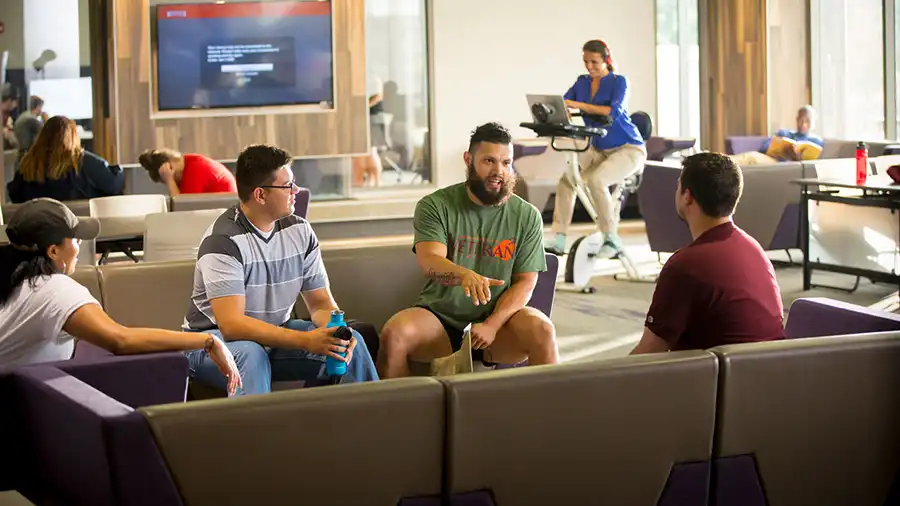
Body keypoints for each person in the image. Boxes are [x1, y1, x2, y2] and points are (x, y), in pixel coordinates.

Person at [182, 143, 379, 395]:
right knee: (250, 355)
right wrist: (306, 341)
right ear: (260, 195)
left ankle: (370, 429)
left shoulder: (299, 230)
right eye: (287, 186)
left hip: (274, 336)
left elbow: (319, 304)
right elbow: (233, 325)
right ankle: (262, 435)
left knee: (353, 343)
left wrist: (335, 331)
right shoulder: (223, 240)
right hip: (211, 344)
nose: (296, 190)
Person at [0, 198, 241, 395]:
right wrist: (207, 340)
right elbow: (121, 340)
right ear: (53, 251)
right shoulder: (53, 290)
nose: (80, 243)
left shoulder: (12, 280)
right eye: (74, 239)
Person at [377, 122, 558, 379]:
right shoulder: (435, 205)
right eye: (489, 161)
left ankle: (550, 417)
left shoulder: (527, 215)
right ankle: (399, 416)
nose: (499, 171)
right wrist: (464, 275)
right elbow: (430, 259)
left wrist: (492, 324)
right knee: (394, 335)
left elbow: (526, 282)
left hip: (500, 323)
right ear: (468, 159)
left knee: (543, 330)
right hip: (440, 318)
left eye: (506, 163)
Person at [630, 152, 786, 354]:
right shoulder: (754, 249)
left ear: (687, 196)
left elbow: (650, 351)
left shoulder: (684, 266)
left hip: (720, 381)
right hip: (774, 373)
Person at [545, 39, 648, 258]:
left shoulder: (619, 81)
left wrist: (578, 106)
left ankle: (611, 238)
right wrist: (552, 111)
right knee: (567, 180)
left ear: (606, 60)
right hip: (599, 149)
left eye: (594, 62)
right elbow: (563, 103)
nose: (589, 66)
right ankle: (559, 238)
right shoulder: (581, 82)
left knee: (596, 180)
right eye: (586, 61)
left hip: (629, 148)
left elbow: (611, 112)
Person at [7, 116, 124, 203]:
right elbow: (113, 184)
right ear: (73, 137)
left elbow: (15, 195)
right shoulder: (82, 160)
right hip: (81, 228)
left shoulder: (29, 163)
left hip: (36, 230)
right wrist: (119, 171)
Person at [732, 106, 824, 165]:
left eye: (807, 121)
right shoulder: (784, 133)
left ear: (814, 123)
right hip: (776, 162)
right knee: (752, 157)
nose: (803, 124)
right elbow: (763, 148)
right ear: (796, 119)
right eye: (800, 120)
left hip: (799, 167)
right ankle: (725, 163)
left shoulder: (816, 141)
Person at [138, 148, 237, 196]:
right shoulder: (189, 161)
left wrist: (169, 180)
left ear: (170, 167)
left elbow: (182, 212)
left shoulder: (194, 171)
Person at [352, 74, 385, 187]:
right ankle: (371, 181)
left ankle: (374, 181)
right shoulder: (368, 79)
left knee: (368, 151)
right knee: (366, 152)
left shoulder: (371, 79)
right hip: (368, 118)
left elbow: (378, 96)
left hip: (370, 118)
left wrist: (363, 107)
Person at [14, 95, 47, 159]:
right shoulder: (31, 119)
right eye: (41, 107)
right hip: (28, 155)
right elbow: (48, 134)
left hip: (21, 153)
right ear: (38, 106)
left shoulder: (24, 115)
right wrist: (46, 120)